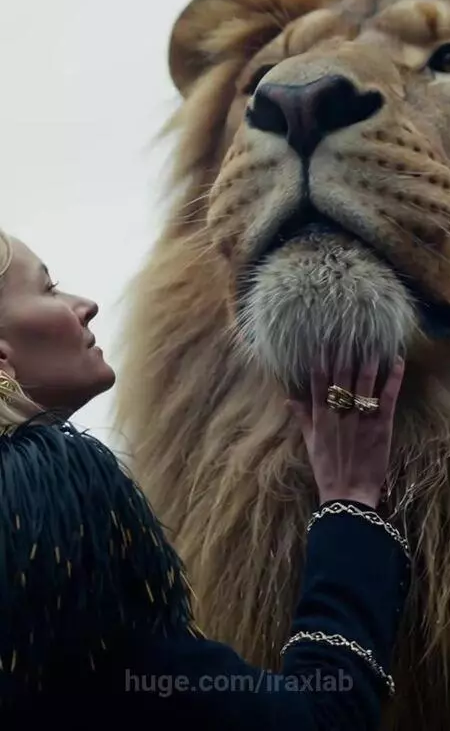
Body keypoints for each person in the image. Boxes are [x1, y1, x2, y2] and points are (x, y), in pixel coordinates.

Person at [0, 228, 411, 729]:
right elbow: (319, 718)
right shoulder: (56, 517)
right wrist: (351, 502)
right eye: (48, 289)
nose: (85, 304)